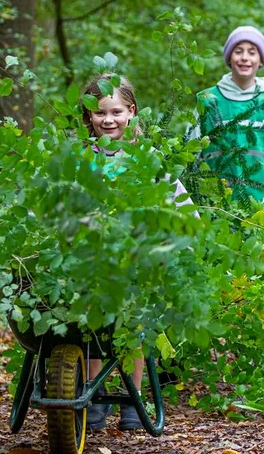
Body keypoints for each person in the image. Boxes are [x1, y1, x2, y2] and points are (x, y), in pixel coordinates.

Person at [80, 72, 193, 431]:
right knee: (92, 324)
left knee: (135, 323)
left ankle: (133, 394)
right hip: (92, 263)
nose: (108, 120)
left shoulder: (147, 159)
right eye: (100, 113)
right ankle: (94, 393)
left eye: (115, 112)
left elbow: (181, 205)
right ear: (89, 117)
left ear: (131, 112)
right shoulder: (83, 159)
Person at [189, 26, 264, 225]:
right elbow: (191, 155)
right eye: (238, 51)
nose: (244, 57)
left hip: (263, 204)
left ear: (261, 60)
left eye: (252, 52)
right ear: (229, 57)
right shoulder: (208, 100)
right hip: (215, 204)